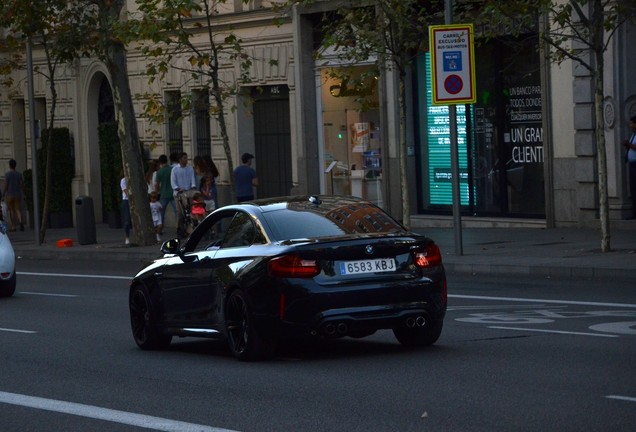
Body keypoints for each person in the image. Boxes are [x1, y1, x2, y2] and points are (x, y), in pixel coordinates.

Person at [170, 152, 197, 237]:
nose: (186, 160)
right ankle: (179, 229)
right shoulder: (175, 169)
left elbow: (193, 180)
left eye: (186, 158)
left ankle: (190, 228)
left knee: (190, 211)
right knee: (180, 212)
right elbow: (173, 183)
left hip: (188, 193)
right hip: (179, 194)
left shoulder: (190, 169)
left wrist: (193, 187)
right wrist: (178, 188)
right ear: (180, 159)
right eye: (184, 158)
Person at [3, 159, 24, 232]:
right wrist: (23, 193)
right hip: (17, 194)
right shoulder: (19, 174)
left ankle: (13, 226)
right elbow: (21, 185)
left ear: (9, 165)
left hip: (10, 194)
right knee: (18, 209)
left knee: (11, 210)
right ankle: (21, 222)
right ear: (15, 165)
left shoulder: (7, 174)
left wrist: (3, 193)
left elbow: (6, 185)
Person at [155, 154, 175, 226]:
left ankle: (161, 227)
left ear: (160, 162)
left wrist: (156, 193)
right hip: (173, 193)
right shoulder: (172, 169)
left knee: (161, 212)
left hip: (163, 193)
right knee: (177, 211)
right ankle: (178, 226)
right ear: (167, 161)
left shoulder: (159, 172)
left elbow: (157, 184)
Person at [623, 115, 636, 219]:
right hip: (632, 166)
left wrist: (629, 145)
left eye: (632, 123)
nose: (630, 125)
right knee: (633, 189)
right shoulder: (633, 135)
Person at [120, 170, 132, 245]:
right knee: (127, 219)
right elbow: (126, 191)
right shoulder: (123, 180)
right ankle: (127, 237)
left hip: (133, 200)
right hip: (127, 200)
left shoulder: (133, 179)